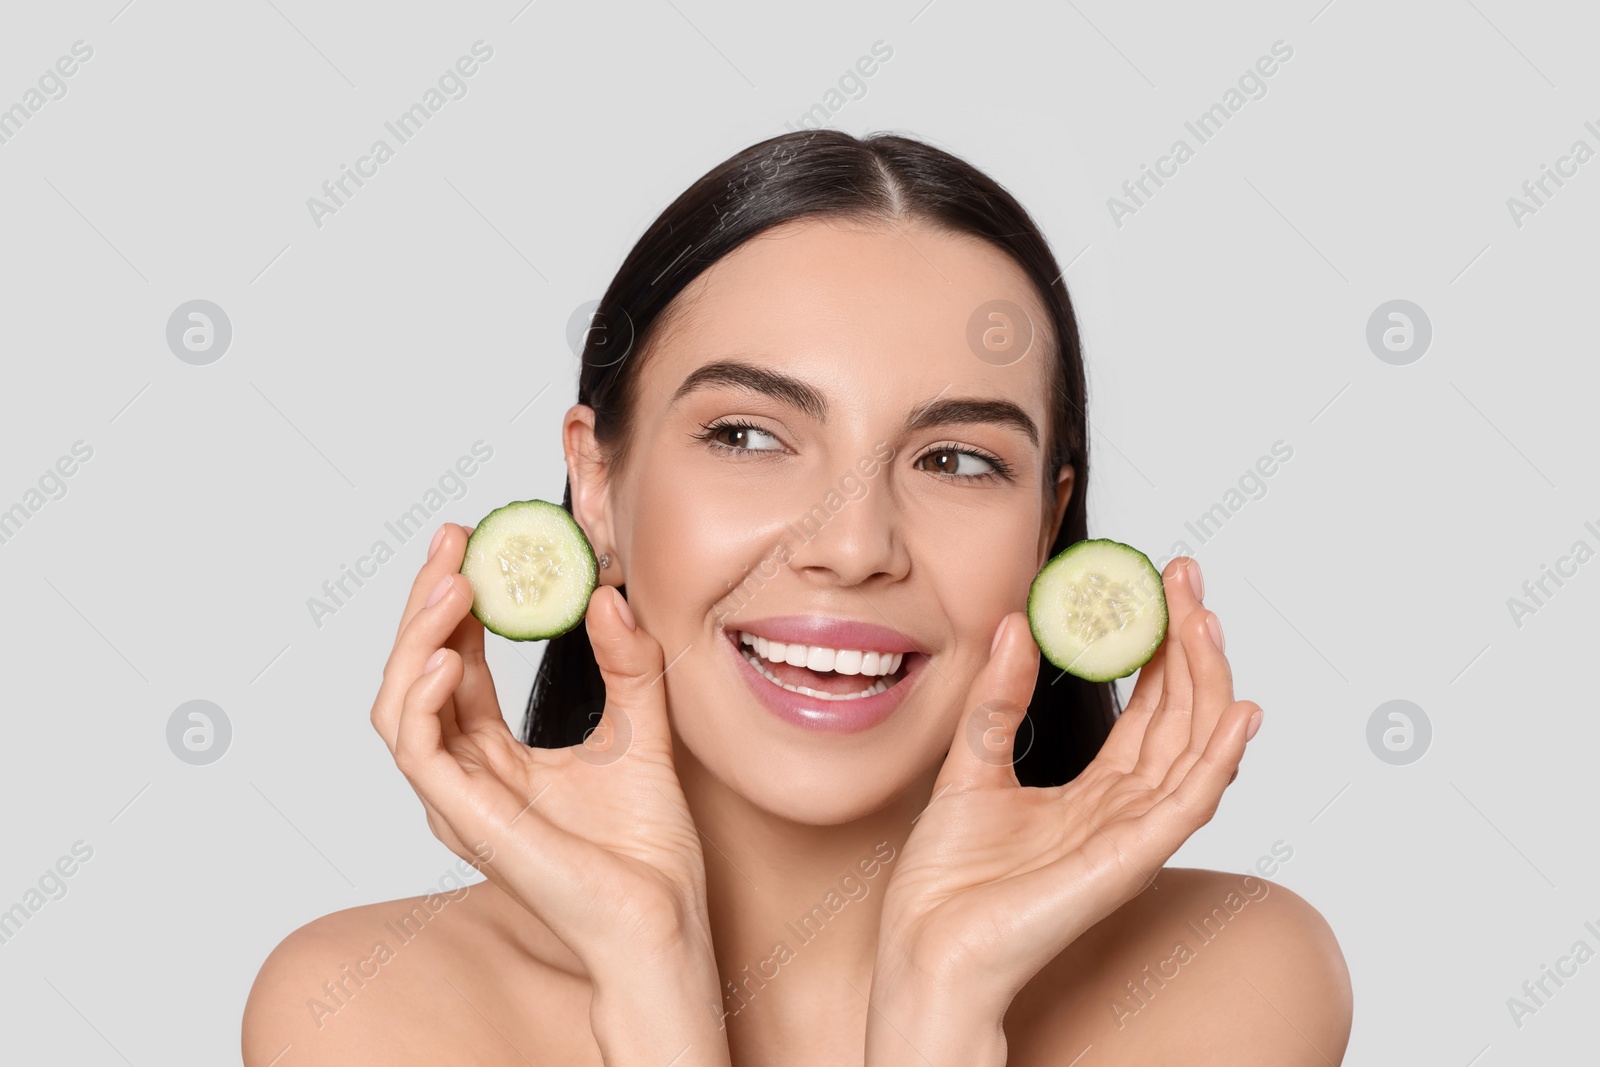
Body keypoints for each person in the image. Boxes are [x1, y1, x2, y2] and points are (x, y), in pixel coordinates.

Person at [243, 129, 1352, 1065]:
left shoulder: (1229, 976)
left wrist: (944, 997)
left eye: (958, 460)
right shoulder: (363, 1011)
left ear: (1048, 529)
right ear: (598, 484)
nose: (855, 545)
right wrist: (646, 958)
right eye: (748, 434)